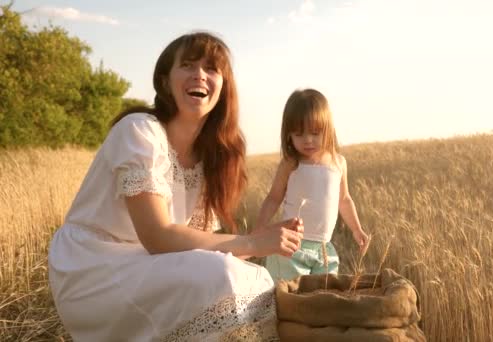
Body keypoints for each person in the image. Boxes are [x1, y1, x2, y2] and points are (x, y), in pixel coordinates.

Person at [47, 31, 304, 342]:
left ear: (223, 87)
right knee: (222, 276)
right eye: (187, 65)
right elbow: (157, 237)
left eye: (211, 68)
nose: (199, 75)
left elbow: (198, 250)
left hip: (148, 267)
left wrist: (264, 240)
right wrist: (252, 243)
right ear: (165, 81)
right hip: (93, 268)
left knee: (253, 279)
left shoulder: (212, 159)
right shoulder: (139, 131)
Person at [254, 88, 369, 283]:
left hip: (325, 249)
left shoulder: (338, 162)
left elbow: (344, 200)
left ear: (328, 129)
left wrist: (357, 229)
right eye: (299, 134)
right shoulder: (291, 163)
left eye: (315, 133)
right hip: (290, 247)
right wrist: (259, 229)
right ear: (288, 134)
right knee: (287, 300)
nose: (308, 140)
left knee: (322, 300)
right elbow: (274, 198)